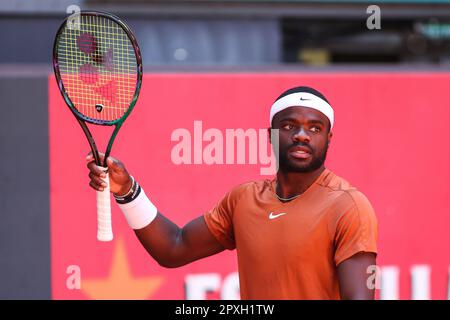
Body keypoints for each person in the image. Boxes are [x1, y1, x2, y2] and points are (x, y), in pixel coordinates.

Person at [86, 86, 378, 300]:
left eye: (314, 128)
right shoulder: (243, 199)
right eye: (290, 126)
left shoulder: (348, 206)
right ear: (271, 135)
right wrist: (126, 190)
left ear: (329, 138)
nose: (302, 135)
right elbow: (173, 248)